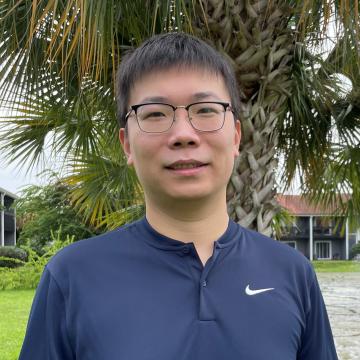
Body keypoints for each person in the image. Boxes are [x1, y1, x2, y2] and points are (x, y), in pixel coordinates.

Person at [19, 32, 338, 359]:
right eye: (155, 113)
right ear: (126, 143)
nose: (183, 134)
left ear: (236, 137)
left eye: (205, 110)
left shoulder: (292, 273)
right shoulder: (72, 277)